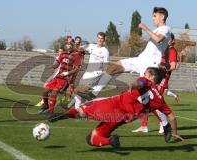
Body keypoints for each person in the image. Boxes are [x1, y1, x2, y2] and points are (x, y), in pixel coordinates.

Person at [49, 67, 184, 148]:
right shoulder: (161, 100)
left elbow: (141, 83)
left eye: (145, 72)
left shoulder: (146, 81)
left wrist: (135, 84)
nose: (143, 74)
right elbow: (171, 117)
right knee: (92, 139)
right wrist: (174, 132)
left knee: (83, 109)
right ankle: (110, 140)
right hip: (126, 117)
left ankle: (64, 115)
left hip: (116, 105)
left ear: (151, 76)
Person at [132, 33, 179, 133]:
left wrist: (161, 69)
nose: (167, 40)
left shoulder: (171, 50)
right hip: (154, 79)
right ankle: (144, 125)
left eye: (169, 39)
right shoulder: (162, 50)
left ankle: (164, 123)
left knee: (155, 102)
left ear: (172, 40)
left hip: (162, 80)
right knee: (145, 100)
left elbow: (173, 66)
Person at [68, 32, 109, 109]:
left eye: (102, 38)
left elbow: (106, 64)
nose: (100, 40)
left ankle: (90, 101)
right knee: (78, 92)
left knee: (79, 91)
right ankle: (74, 108)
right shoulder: (91, 46)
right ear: (97, 38)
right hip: (88, 72)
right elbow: (79, 48)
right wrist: (72, 44)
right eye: (99, 38)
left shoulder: (105, 51)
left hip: (96, 74)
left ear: (104, 40)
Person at [38, 44, 81, 113]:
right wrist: (52, 66)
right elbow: (57, 64)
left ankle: (50, 112)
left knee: (54, 93)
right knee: (45, 91)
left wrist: (67, 73)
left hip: (65, 79)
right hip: (57, 77)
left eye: (70, 45)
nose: (68, 46)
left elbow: (77, 69)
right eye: (67, 45)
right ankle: (45, 106)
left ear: (72, 47)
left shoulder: (76, 56)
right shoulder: (63, 54)